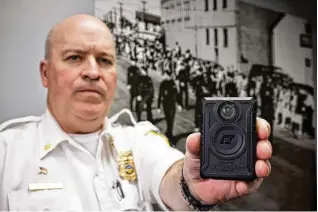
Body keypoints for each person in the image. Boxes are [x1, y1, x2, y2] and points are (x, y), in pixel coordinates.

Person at [0, 14, 273, 211]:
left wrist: (191, 186)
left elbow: (168, 173)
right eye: (75, 57)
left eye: (105, 60)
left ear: (115, 77)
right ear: (45, 73)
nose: (93, 72)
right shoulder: (7, 152)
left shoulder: (139, 140)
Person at [157, 70, 178, 142]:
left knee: (171, 120)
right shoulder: (163, 83)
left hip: (172, 104)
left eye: (167, 75)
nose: (166, 76)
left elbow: (176, 94)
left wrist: (179, 103)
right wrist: (158, 106)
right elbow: (160, 95)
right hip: (165, 104)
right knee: (168, 119)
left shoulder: (173, 83)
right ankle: (169, 133)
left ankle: (170, 135)